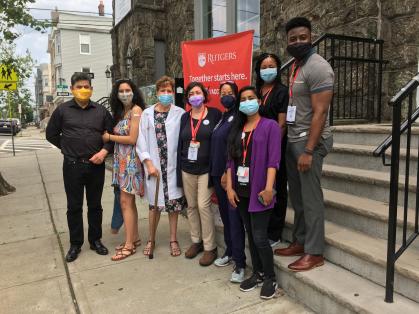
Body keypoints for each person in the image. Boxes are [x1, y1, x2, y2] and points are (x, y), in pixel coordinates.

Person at [274, 17, 334, 272]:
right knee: (297, 197)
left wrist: (309, 150)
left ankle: (315, 251)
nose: (297, 42)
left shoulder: (318, 67)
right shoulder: (298, 65)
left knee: (310, 199)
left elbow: (320, 112)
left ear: (311, 37)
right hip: (294, 138)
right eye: (292, 39)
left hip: (310, 141)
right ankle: (299, 241)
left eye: (302, 37)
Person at [46, 72, 113, 262]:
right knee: (74, 207)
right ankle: (75, 244)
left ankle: (95, 240)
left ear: (91, 89)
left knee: (95, 206)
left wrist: (103, 152)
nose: (83, 90)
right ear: (72, 89)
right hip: (72, 166)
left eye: (86, 86)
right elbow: (51, 134)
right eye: (79, 87)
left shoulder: (101, 111)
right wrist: (67, 148)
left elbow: (111, 136)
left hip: (95, 166)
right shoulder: (62, 110)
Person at [226, 86, 281, 299]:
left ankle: (270, 277)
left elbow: (273, 161)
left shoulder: (270, 126)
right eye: (243, 99)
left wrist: (269, 188)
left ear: (259, 101)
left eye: (251, 98)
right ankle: (257, 273)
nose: (247, 101)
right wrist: (230, 187)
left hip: (260, 190)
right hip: (240, 190)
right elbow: (230, 161)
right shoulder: (237, 128)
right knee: (250, 233)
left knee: (259, 236)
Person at [136, 76, 185, 257]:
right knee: (154, 206)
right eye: (162, 91)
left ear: (173, 93)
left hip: (172, 167)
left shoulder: (179, 113)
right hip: (154, 168)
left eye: (169, 91)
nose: (166, 94)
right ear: (156, 93)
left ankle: (173, 239)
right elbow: (141, 140)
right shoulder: (147, 114)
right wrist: (148, 163)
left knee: (174, 206)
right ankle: (151, 239)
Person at [177, 81, 222, 266]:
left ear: (204, 94)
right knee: (192, 206)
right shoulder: (184, 117)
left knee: (203, 206)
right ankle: (196, 241)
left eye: (198, 92)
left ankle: (210, 247)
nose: (194, 96)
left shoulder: (214, 114)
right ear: (188, 98)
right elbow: (181, 143)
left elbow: (219, 141)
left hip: (206, 169)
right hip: (187, 168)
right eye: (191, 93)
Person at [103, 78, 145, 261]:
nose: (125, 93)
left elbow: (132, 138)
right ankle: (134, 238)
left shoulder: (136, 111)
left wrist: (109, 137)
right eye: (121, 91)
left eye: (128, 90)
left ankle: (129, 245)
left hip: (130, 163)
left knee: (125, 203)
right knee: (129, 203)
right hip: (120, 162)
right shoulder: (121, 112)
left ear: (134, 92)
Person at [210, 81, 246, 283]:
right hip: (216, 175)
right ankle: (230, 251)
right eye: (222, 92)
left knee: (234, 219)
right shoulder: (222, 116)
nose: (225, 95)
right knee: (225, 217)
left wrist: (226, 172)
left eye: (230, 92)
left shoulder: (238, 117)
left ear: (236, 94)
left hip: (229, 176)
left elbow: (234, 148)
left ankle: (240, 264)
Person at [255, 53, 289, 247]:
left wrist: (273, 148)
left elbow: (282, 124)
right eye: (264, 66)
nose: (268, 69)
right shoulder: (257, 91)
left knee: (277, 186)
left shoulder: (281, 92)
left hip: (275, 148)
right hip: (257, 148)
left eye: (271, 66)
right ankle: (262, 225)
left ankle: (275, 232)